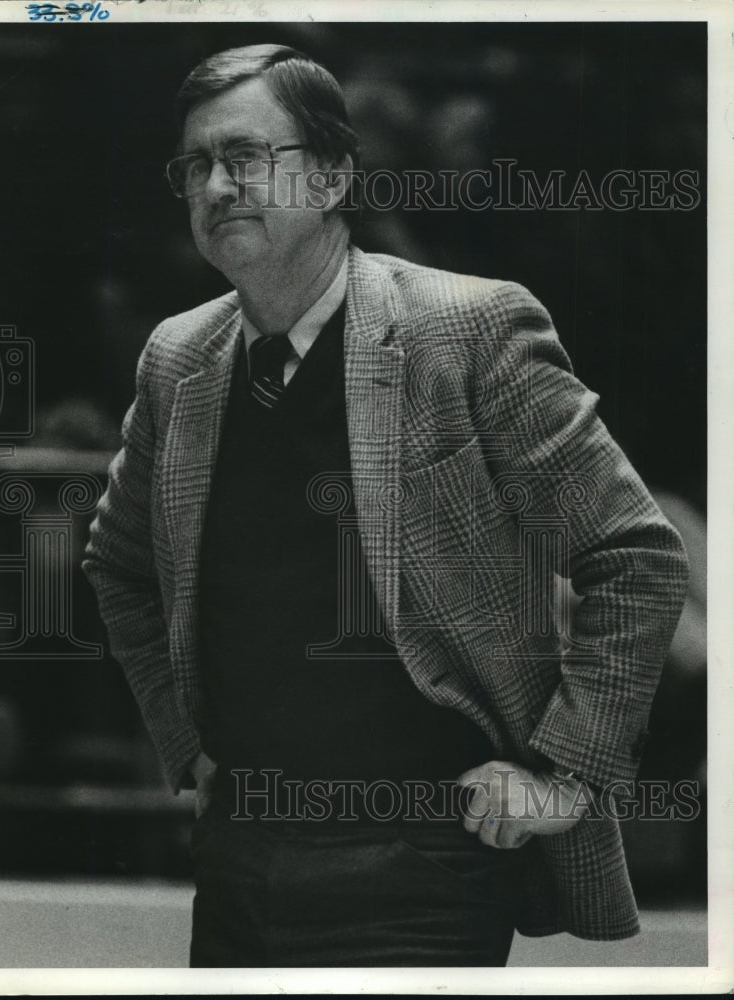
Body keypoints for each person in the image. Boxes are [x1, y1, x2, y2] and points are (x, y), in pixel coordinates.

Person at [82, 44, 689, 967]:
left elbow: (634, 555)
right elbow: (117, 565)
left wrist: (565, 774)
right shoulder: (177, 358)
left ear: (331, 174)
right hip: (240, 851)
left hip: (429, 859)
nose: (215, 185)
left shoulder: (469, 328)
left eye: (245, 156)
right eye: (195, 164)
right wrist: (185, 744)